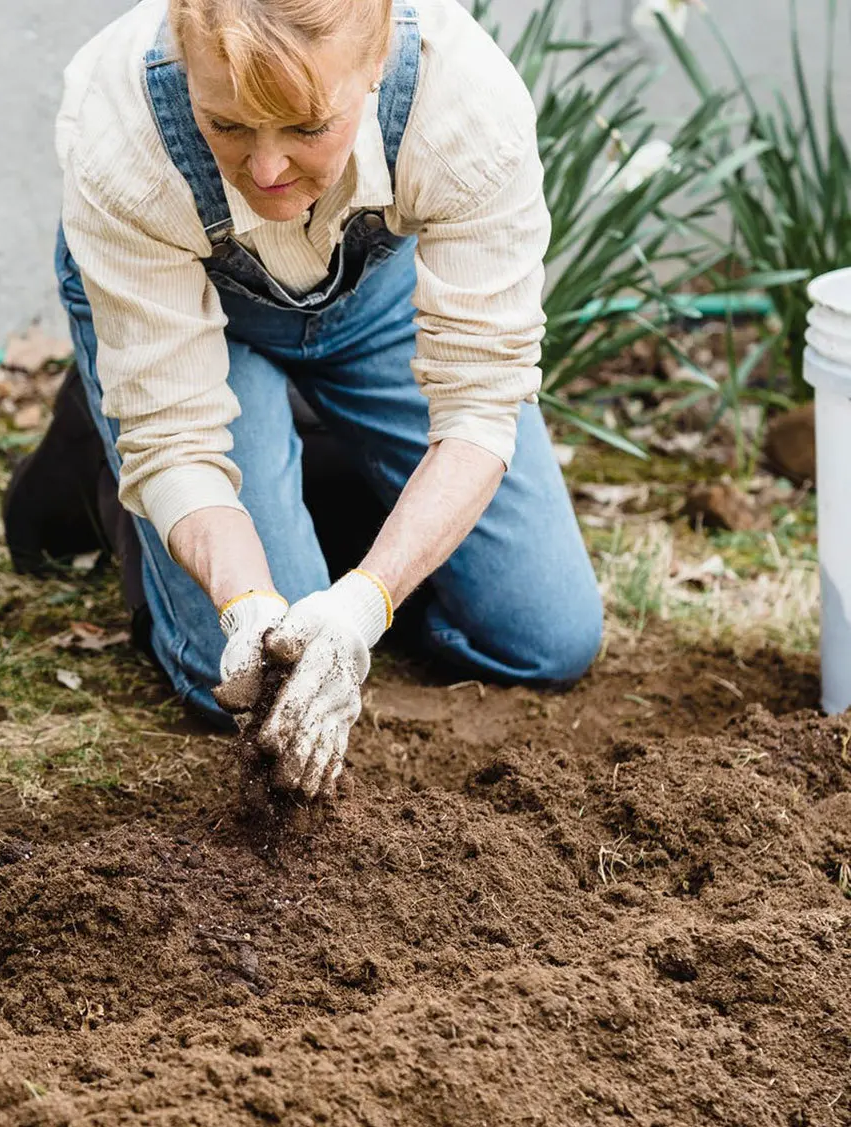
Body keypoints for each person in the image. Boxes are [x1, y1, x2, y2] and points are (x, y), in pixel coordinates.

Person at [53, 0, 603, 798]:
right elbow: (175, 445)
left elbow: (480, 409)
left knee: (549, 639)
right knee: (249, 682)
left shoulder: (463, 105)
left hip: (373, 301)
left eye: (308, 127)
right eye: (229, 125)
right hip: (194, 306)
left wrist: (364, 603)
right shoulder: (120, 136)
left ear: (374, 63)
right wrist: (243, 602)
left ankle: (298, 458)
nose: (268, 169)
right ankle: (123, 448)